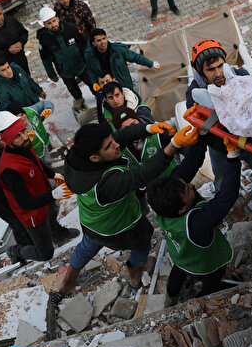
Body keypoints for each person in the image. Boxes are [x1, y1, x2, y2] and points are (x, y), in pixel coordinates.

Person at [52, 121, 200, 298]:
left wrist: (147, 129)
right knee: (143, 240)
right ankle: (135, 276)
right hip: (117, 228)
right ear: (95, 158)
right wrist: (174, 144)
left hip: (91, 221)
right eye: (109, 146)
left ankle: (67, 281)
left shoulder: (75, 160)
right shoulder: (108, 183)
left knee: (86, 247)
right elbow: (141, 175)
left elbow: (119, 136)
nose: (116, 145)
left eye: (111, 141)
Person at [146, 128, 243, 305]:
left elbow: (190, 164)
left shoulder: (163, 199)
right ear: (182, 209)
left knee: (179, 271)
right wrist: (233, 157)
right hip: (205, 266)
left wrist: (202, 135)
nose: (190, 184)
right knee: (212, 282)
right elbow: (226, 197)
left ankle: (172, 296)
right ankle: (200, 300)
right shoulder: (197, 223)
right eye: (187, 190)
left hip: (180, 256)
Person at [186, 39, 252, 198]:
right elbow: (203, 130)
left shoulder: (241, 75)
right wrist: (228, 145)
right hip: (222, 147)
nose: (218, 73)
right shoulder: (194, 94)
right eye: (210, 69)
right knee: (223, 189)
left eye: (220, 66)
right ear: (199, 71)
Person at [0, 113, 77, 264]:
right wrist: (53, 194)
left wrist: (52, 175)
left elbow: (37, 164)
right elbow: (25, 203)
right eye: (18, 136)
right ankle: (17, 251)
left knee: (51, 218)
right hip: (33, 214)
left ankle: (58, 234)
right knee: (45, 253)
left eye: (24, 131)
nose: (25, 137)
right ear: (7, 140)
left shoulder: (24, 145)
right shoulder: (9, 169)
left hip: (44, 198)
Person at [0, 112, 36, 249]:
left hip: (25, 196)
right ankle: (21, 252)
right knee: (25, 234)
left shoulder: (14, 147)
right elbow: (0, 200)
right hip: (11, 208)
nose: (13, 139)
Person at [36, 6, 90, 113]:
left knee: (91, 82)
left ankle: (99, 95)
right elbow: (45, 59)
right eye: (49, 23)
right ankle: (79, 99)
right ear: (45, 25)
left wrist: (90, 60)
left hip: (81, 64)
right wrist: (52, 74)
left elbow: (84, 45)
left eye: (53, 21)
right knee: (72, 87)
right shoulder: (44, 39)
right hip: (65, 70)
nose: (53, 25)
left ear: (57, 18)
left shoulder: (71, 29)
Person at [84, 28, 160, 92]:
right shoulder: (89, 55)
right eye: (99, 40)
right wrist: (95, 82)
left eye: (104, 38)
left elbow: (135, 57)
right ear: (94, 43)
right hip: (106, 86)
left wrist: (151, 63)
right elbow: (91, 70)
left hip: (123, 84)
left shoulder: (118, 50)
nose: (103, 42)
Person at [0, 5, 30, 75]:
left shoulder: (11, 20)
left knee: (27, 77)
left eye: (0, 14)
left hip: (22, 59)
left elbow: (24, 33)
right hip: (7, 67)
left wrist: (20, 43)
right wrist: (8, 51)